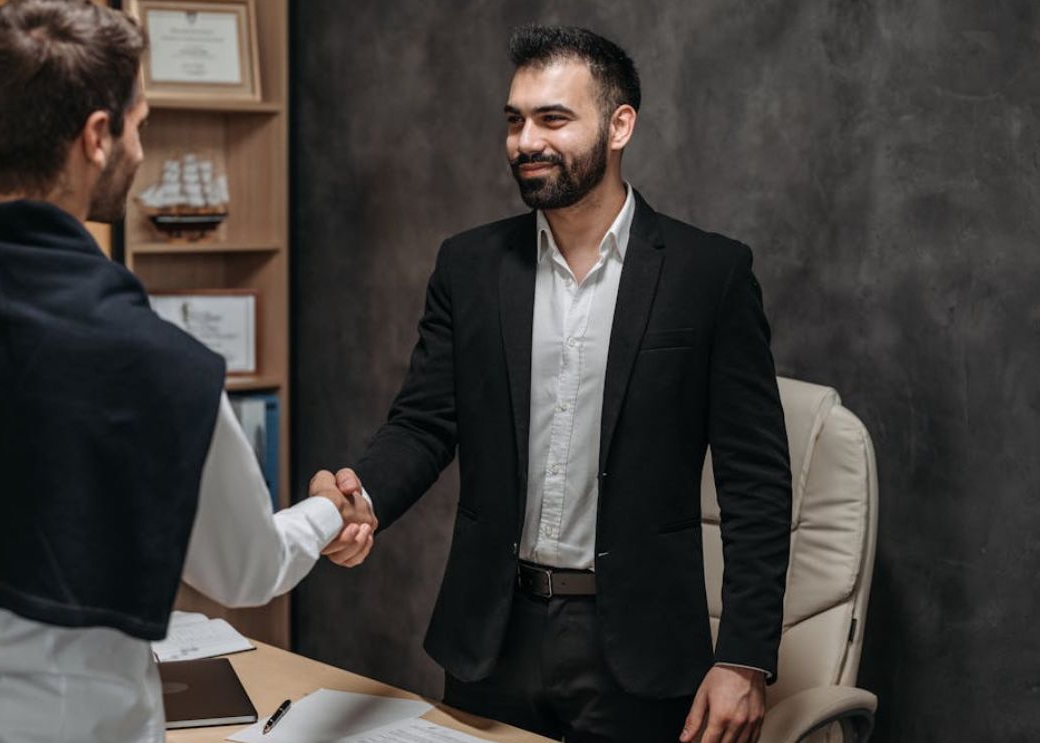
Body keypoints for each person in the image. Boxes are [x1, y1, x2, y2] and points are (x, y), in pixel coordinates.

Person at [0, 2, 374, 741]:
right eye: (138, 123)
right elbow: (245, 568)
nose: (140, 145)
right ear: (98, 137)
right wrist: (328, 508)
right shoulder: (159, 362)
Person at [323, 25, 792, 743]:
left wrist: (744, 657)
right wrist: (364, 497)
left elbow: (754, 478)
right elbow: (422, 422)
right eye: (514, 120)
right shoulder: (468, 266)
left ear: (619, 126)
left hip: (639, 646)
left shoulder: (710, 275)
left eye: (552, 119)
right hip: (490, 636)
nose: (525, 141)